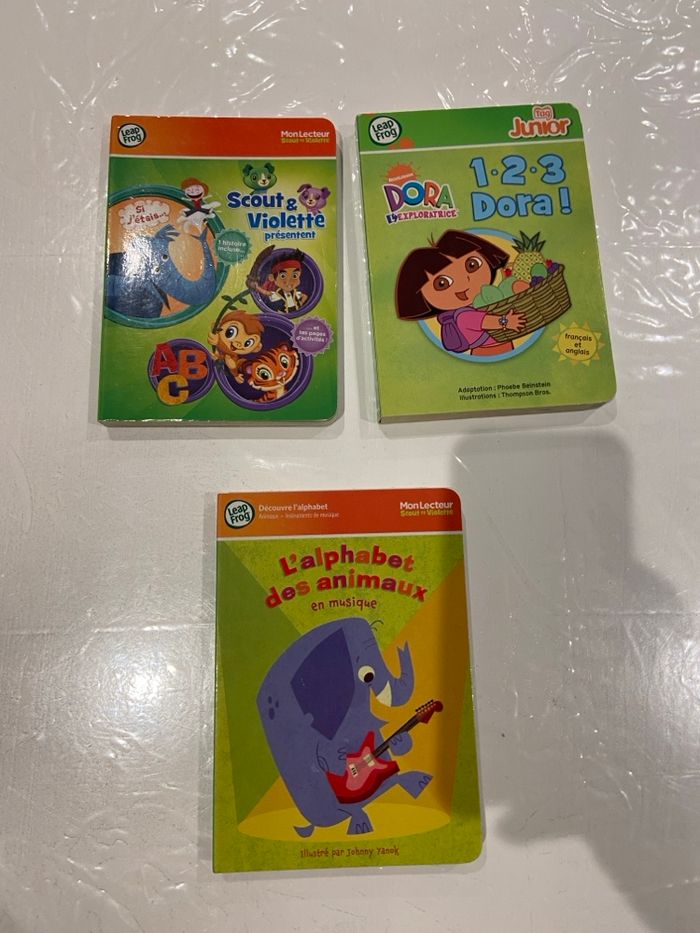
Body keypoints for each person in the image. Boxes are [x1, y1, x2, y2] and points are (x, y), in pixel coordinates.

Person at [395, 230, 525, 355]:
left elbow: (502, 294)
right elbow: (486, 321)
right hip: (487, 351)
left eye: (472, 265)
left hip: (506, 346)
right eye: (442, 283)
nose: (464, 282)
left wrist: (515, 285)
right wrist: (506, 322)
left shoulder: (482, 300)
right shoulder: (463, 316)